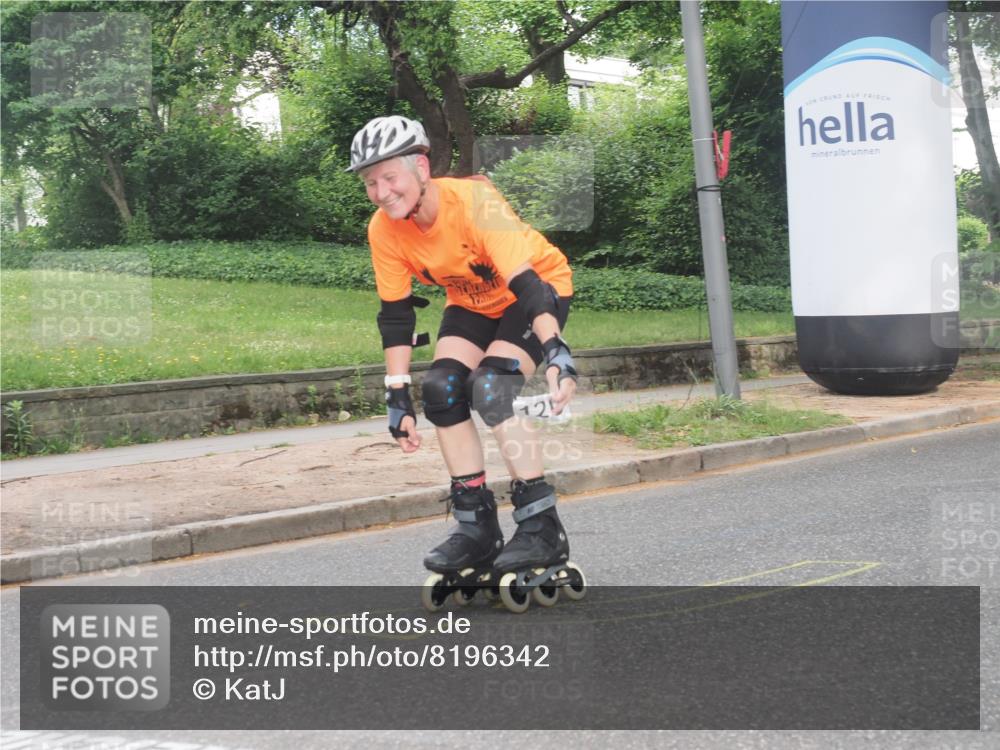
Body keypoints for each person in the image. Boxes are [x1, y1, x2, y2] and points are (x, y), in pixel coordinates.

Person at [347, 115, 579, 582]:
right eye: (371, 183)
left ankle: (541, 526)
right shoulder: (383, 230)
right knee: (441, 388)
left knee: (490, 389)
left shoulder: (476, 201)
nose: (382, 191)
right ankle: (477, 527)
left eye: (389, 177)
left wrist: (556, 351)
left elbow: (527, 285)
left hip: (535, 292)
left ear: (421, 168)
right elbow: (396, 318)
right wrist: (397, 395)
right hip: (472, 302)